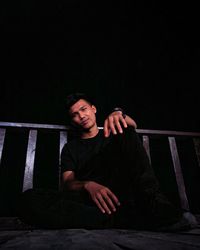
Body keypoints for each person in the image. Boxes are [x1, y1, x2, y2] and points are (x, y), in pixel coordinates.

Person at [18, 92, 197, 230]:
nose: (81, 116)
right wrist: (88, 185)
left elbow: (132, 125)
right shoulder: (71, 148)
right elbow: (67, 182)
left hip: (120, 191)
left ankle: (156, 205)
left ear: (93, 109)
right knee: (29, 199)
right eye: (74, 114)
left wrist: (118, 113)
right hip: (90, 201)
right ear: (72, 120)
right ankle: (126, 218)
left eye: (83, 109)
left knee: (125, 129)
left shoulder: (111, 134)